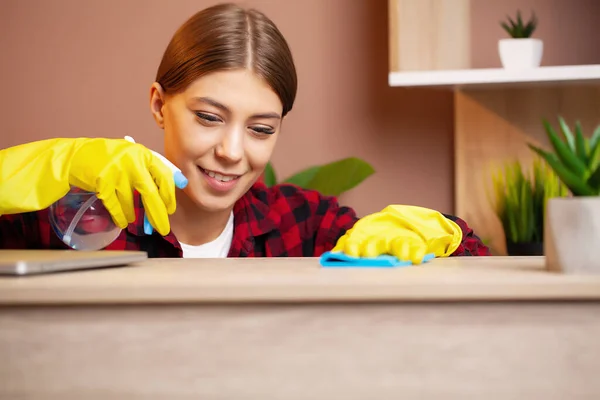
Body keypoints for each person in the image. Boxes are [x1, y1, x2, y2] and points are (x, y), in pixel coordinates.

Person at [0, 3, 490, 261]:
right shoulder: (70, 220)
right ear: (159, 105)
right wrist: (53, 165)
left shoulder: (305, 226)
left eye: (260, 128)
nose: (232, 151)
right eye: (209, 117)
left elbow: (477, 258)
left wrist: (438, 231)